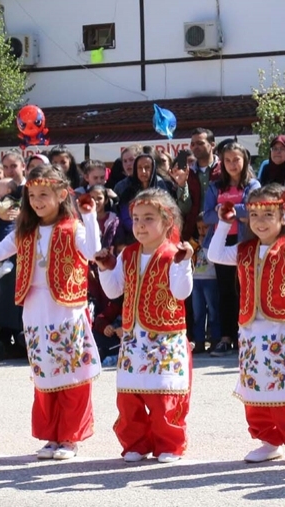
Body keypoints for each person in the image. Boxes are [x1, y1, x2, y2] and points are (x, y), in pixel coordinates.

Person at [0, 165, 103, 461]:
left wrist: (90, 216)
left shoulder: (73, 228)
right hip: (34, 311)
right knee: (45, 376)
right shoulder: (24, 231)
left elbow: (94, 252)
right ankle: (52, 436)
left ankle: (69, 437)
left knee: (71, 374)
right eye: (32, 195)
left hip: (67, 308)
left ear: (62, 193)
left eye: (43, 194)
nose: (37, 201)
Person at [207, 183, 285, 464]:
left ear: (281, 217)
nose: (260, 222)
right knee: (257, 387)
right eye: (254, 215)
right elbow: (214, 254)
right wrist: (222, 223)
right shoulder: (244, 250)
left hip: (283, 330)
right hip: (251, 332)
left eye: (269, 215)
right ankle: (269, 440)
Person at [96, 188, 194, 464]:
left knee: (163, 394)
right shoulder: (128, 254)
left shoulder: (174, 253)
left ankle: (169, 444)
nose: (140, 225)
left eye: (148, 218)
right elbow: (114, 291)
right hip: (133, 338)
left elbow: (182, 291)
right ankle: (136, 443)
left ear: (167, 221)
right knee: (131, 396)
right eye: (136, 219)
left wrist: (184, 265)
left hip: (165, 336)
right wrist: (104, 267)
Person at [201, 142, 261, 356]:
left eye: (236, 159)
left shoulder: (252, 185)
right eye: (227, 160)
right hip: (221, 241)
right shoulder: (215, 187)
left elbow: (252, 209)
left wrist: (227, 209)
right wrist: (223, 211)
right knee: (225, 291)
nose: (232, 164)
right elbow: (207, 215)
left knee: (246, 289)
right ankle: (226, 337)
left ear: (244, 160)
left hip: (244, 241)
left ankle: (245, 335)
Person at [189, 217, 219, 354]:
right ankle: (199, 342)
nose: (202, 231)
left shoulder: (214, 241)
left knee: (213, 311)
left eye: (205, 227)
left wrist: (205, 246)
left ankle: (215, 340)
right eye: (199, 228)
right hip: (196, 279)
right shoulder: (194, 242)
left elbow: (213, 261)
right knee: (198, 312)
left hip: (210, 278)